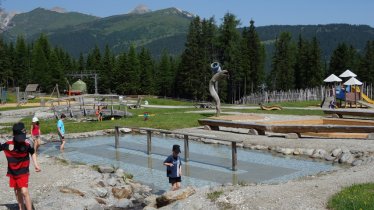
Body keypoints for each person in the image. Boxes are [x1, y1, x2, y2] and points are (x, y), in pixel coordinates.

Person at [3, 122, 41, 210]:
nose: (21, 140)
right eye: (19, 138)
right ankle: (21, 208)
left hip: (23, 171)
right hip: (13, 172)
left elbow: (32, 153)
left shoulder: (27, 143)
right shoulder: (8, 144)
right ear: (14, 135)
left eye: (22, 137)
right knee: (17, 191)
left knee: (24, 191)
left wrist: (36, 164)